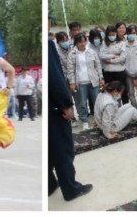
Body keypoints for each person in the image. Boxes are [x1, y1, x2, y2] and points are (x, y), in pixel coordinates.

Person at [48, 31, 93, 201]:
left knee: (49, 148)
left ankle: (50, 184)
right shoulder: (48, 44)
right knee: (62, 149)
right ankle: (70, 189)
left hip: (48, 107)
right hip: (54, 108)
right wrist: (66, 104)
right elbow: (55, 77)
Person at [67, 33, 104, 130]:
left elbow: (98, 65)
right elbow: (70, 70)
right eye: (80, 42)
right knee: (82, 103)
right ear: (76, 43)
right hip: (80, 82)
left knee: (97, 101)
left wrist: (101, 78)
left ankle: (98, 120)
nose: (83, 44)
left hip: (93, 81)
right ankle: (85, 121)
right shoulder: (72, 54)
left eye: (84, 41)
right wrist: (72, 82)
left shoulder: (91, 52)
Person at [100, 25, 128, 104]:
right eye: (110, 35)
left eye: (113, 34)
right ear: (107, 35)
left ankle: (125, 106)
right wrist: (113, 56)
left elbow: (123, 57)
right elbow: (102, 55)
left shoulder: (121, 43)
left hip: (120, 71)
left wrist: (110, 61)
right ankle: (113, 106)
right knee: (110, 91)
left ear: (116, 34)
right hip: (108, 72)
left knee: (123, 91)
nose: (112, 36)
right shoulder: (104, 43)